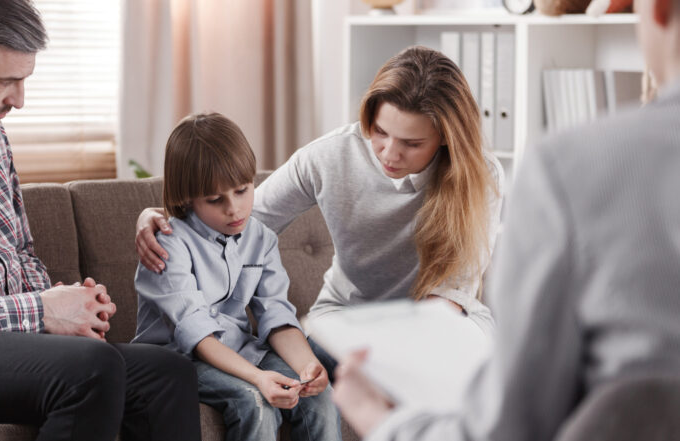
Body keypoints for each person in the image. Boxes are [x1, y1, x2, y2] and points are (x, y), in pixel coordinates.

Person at [330, 0, 680, 441]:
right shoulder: (332, 155)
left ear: (660, 9)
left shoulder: (573, 169)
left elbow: (504, 435)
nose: (390, 153)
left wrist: (378, 421)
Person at [0, 1, 201, 441]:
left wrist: (71, 309)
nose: (19, 101)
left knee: (168, 373)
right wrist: (37, 311)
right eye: (6, 81)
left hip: (1, 341)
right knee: (91, 368)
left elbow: (18, 252)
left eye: (23, 81)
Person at [135, 46, 505, 377]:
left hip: (441, 321)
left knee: (447, 368)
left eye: (412, 143)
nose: (390, 153)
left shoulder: (480, 176)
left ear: (445, 137)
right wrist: (164, 216)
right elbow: (245, 219)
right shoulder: (330, 156)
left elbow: (452, 293)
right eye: (379, 132)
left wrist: (405, 349)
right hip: (346, 318)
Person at [132, 112, 343, 441]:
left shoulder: (260, 237)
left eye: (243, 190)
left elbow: (275, 315)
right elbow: (196, 334)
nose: (234, 209)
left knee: (320, 398)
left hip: (241, 349)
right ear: (187, 198)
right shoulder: (168, 243)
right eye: (215, 200)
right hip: (178, 361)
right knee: (255, 402)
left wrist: (308, 367)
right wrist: (258, 378)